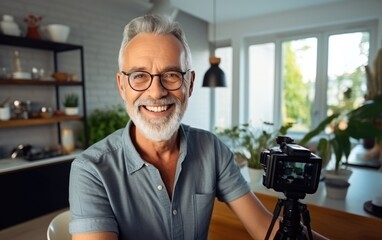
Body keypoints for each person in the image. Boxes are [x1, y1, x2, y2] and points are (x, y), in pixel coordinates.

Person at [69, 14, 326, 240]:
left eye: (171, 75)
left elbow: (265, 229)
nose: (156, 92)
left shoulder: (211, 149)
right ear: (122, 86)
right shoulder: (91, 170)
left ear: (189, 84)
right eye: (139, 76)